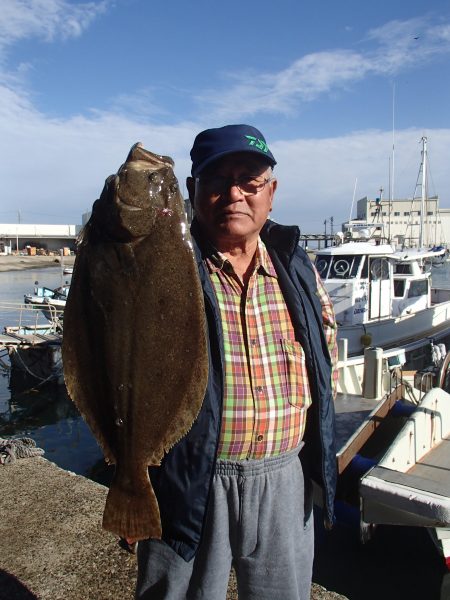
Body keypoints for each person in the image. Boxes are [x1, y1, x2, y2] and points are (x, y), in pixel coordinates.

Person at [135, 124, 338, 600]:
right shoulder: (164, 267)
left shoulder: (296, 264)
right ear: (192, 191)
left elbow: (322, 359)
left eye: (250, 181)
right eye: (217, 181)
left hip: (286, 477)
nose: (234, 195)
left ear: (272, 191)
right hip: (190, 478)